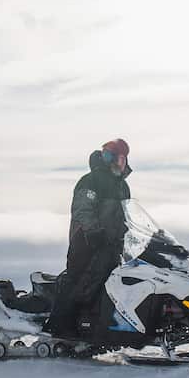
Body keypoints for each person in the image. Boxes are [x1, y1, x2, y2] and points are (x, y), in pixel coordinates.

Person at [44, 138, 133, 338]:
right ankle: (60, 328)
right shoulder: (91, 180)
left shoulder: (122, 186)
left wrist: (135, 233)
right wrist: (94, 231)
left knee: (109, 284)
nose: (114, 161)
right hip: (86, 241)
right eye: (109, 155)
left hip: (112, 245)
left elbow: (129, 214)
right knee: (79, 280)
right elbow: (82, 210)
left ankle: (97, 327)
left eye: (119, 157)